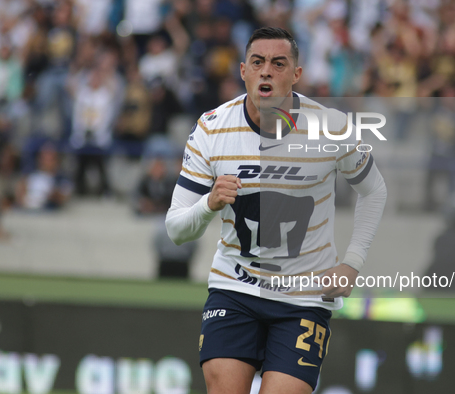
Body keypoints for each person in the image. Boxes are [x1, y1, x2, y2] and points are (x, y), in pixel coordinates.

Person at [165, 27, 387, 394]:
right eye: (258, 62)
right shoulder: (212, 128)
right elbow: (176, 229)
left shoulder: (330, 127)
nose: (266, 71)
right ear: (243, 71)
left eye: (278, 63)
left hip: (303, 298)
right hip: (234, 288)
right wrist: (209, 204)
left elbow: (374, 189)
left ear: (296, 75)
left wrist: (352, 261)